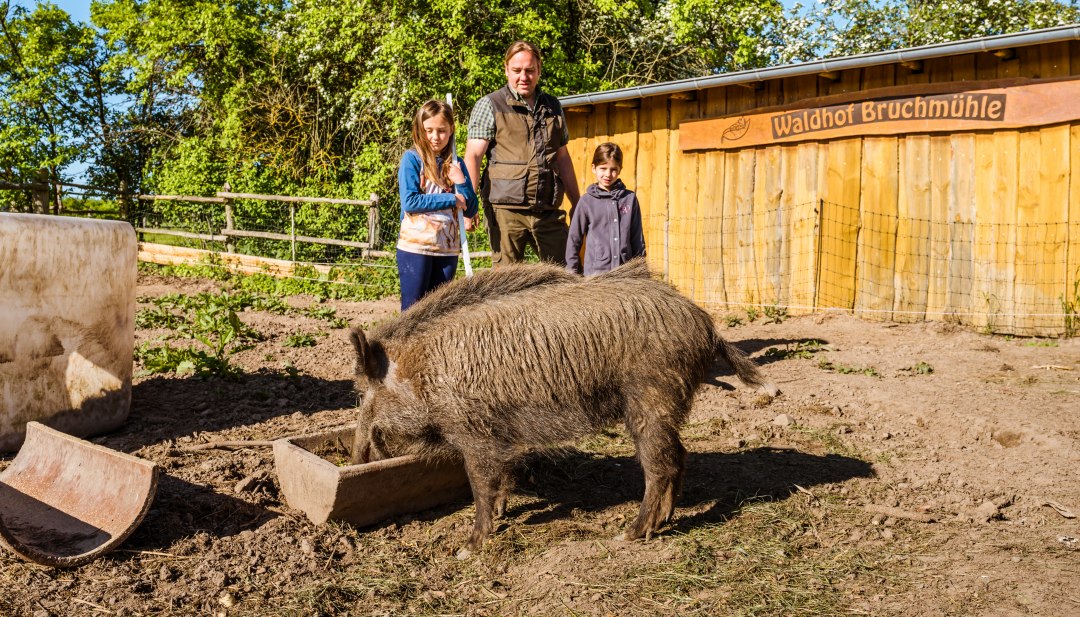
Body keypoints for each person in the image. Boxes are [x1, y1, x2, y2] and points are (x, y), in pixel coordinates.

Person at [465, 40, 580, 266]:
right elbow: (473, 157)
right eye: (517, 70)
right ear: (506, 70)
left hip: (547, 208)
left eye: (530, 70)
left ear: (539, 70)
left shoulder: (553, 107)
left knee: (567, 273)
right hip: (505, 210)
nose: (523, 77)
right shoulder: (490, 105)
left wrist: (577, 201)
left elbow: (562, 157)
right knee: (507, 284)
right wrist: (469, 206)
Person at [396, 99, 478, 311]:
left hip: (447, 249)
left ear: (451, 130)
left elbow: (470, 208)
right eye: (429, 130)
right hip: (417, 246)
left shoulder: (456, 164)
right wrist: (451, 199)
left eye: (441, 130)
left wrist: (462, 182)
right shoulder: (412, 159)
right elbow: (410, 202)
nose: (435, 137)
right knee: (413, 311)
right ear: (419, 130)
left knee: (439, 313)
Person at [565, 142, 645, 275]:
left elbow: (637, 240)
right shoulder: (586, 202)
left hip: (626, 276)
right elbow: (574, 240)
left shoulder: (630, 199)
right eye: (603, 168)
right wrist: (571, 274)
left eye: (613, 169)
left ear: (620, 169)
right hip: (596, 277)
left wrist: (642, 273)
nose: (608, 174)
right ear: (593, 168)